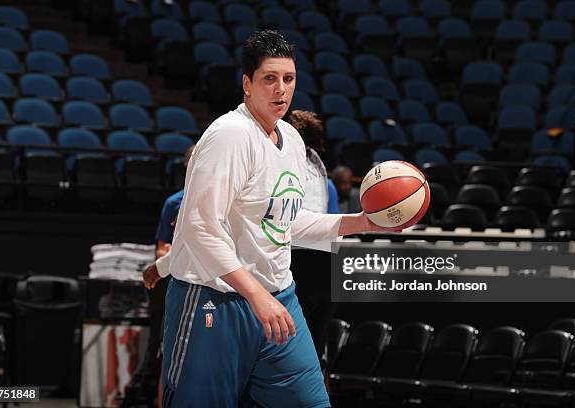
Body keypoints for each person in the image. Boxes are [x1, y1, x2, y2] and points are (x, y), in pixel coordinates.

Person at [143, 30, 396, 408]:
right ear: (247, 84)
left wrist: (360, 222)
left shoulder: (292, 140)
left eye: (288, 79)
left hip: (279, 299)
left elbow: (286, 223)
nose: (281, 89)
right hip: (215, 299)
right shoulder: (229, 135)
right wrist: (253, 294)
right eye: (269, 78)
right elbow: (199, 227)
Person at [124, 145, 194, 408]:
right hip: (179, 280)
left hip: (299, 275)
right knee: (165, 344)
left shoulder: (324, 186)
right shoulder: (176, 202)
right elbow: (166, 246)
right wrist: (162, 265)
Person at [287, 109, 338, 371]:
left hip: (299, 255)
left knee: (287, 345)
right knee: (316, 348)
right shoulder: (317, 160)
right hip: (325, 257)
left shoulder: (288, 156)